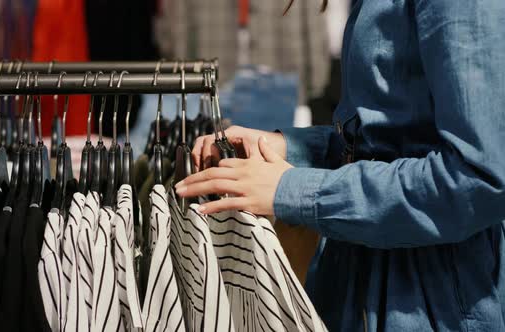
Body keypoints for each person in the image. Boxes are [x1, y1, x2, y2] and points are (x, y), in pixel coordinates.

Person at [175, 0, 505, 330]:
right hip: (359, 279)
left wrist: (293, 189)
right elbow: (387, 140)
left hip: (432, 301)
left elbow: (476, 178)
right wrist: (286, 148)